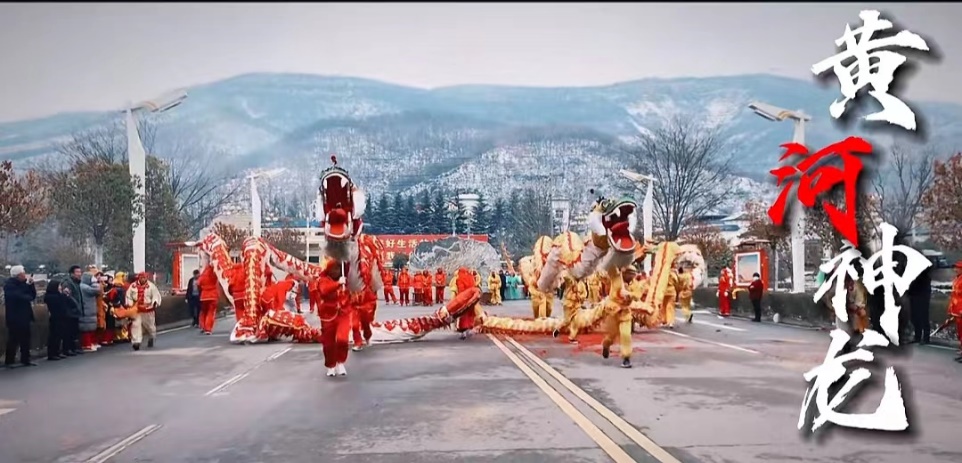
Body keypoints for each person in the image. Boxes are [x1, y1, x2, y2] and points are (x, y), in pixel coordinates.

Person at [317, 263, 351, 377]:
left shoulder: (346, 279)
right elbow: (324, 290)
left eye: (338, 268)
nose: (336, 271)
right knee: (328, 344)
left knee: (343, 339)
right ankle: (331, 365)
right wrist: (338, 284)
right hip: (327, 315)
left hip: (343, 314)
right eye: (334, 268)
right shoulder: (323, 280)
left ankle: (340, 362)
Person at [602, 265, 637, 369]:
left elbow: (637, 294)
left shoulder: (635, 284)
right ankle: (606, 345)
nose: (631, 276)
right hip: (613, 312)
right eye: (629, 274)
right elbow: (605, 276)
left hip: (625, 313)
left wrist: (630, 294)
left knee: (626, 335)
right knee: (610, 336)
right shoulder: (615, 279)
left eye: (633, 274)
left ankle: (626, 357)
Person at [4, 265, 37, 367]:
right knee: (13, 339)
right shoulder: (10, 285)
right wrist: (26, 295)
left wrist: (31, 285)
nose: (25, 275)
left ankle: (25, 359)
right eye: (23, 273)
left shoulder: (23, 284)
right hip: (15, 317)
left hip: (25, 315)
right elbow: (20, 297)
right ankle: (9, 361)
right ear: (18, 275)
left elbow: (32, 296)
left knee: (26, 339)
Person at [125, 272, 162, 351]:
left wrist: (154, 303)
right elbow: (128, 296)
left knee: (150, 326)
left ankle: (151, 337)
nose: (142, 279)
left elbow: (156, 295)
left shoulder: (151, 286)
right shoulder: (133, 286)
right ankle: (136, 342)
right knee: (136, 326)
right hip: (137, 309)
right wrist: (130, 304)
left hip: (148, 309)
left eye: (144, 278)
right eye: (141, 277)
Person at [553, 274, 587, 343]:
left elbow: (585, 294)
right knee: (567, 321)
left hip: (576, 305)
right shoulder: (570, 281)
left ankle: (572, 337)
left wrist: (580, 297)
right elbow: (566, 277)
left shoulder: (582, 284)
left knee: (576, 321)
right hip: (568, 304)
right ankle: (558, 328)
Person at [44, 279, 71, 361]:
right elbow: (61, 302)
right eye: (59, 286)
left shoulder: (58, 295)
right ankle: (52, 353)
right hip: (55, 318)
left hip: (61, 317)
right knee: (54, 336)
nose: (60, 287)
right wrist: (63, 295)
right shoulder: (51, 296)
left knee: (59, 336)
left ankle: (57, 352)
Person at [61, 265, 84, 356]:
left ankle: (74, 348)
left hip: (75, 311)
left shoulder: (77, 283)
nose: (79, 274)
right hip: (69, 311)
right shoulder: (67, 283)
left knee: (74, 331)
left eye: (80, 272)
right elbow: (68, 297)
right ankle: (67, 349)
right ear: (71, 273)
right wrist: (76, 306)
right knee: (68, 331)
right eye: (77, 272)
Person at [79, 266, 102, 352]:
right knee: (86, 329)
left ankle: (91, 343)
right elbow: (97, 290)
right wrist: (96, 283)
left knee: (91, 328)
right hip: (86, 309)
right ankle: (86, 345)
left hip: (90, 309)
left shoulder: (85, 286)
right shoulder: (84, 287)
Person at [908, 264, 932, 345]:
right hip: (914, 296)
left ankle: (926, 338)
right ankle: (917, 337)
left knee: (923, 317)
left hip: (922, 297)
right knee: (915, 317)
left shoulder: (924, 276)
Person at [455, 267, 480, 340]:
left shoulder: (460, 279)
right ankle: (470, 328)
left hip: (464, 299)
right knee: (470, 313)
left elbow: (461, 290)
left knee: (463, 314)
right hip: (472, 298)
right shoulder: (471, 277)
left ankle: (464, 330)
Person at [197, 264, 220, 335]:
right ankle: (208, 328)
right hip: (213, 296)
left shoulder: (203, 275)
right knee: (211, 312)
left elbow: (198, 284)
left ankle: (202, 326)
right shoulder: (214, 274)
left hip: (204, 296)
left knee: (203, 312)